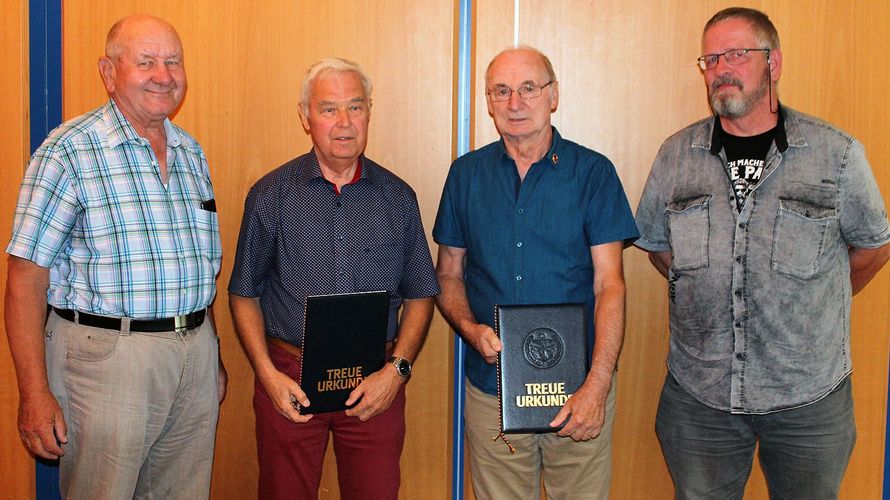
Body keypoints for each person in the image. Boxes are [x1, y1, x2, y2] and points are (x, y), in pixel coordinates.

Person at [634, 7, 890, 499]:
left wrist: (813, 302)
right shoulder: (675, 156)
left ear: (773, 63)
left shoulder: (835, 155)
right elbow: (659, 249)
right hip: (699, 396)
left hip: (808, 399)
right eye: (710, 59)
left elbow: (873, 248)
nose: (720, 69)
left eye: (736, 54)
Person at [5, 14, 226, 499]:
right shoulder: (69, 151)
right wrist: (34, 394)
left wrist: (214, 357)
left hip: (194, 355)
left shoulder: (192, 152)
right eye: (145, 62)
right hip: (105, 360)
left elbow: (199, 264)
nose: (163, 75)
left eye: (172, 61)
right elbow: (25, 276)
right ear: (108, 73)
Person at [228, 57, 439, 500]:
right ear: (305, 117)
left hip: (375, 381)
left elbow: (422, 295)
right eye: (328, 109)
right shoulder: (271, 195)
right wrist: (266, 375)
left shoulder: (398, 198)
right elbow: (243, 293)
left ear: (369, 113)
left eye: (355, 107)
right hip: (290, 378)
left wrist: (397, 372)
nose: (344, 123)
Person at [433, 46, 638, 499]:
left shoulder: (594, 173)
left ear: (553, 95)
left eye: (528, 88)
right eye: (501, 91)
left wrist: (599, 383)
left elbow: (610, 284)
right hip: (494, 390)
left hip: (579, 391)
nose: (515, 103)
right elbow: (447, 273)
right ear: (488, 102)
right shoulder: (466, 176)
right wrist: (469, 329)